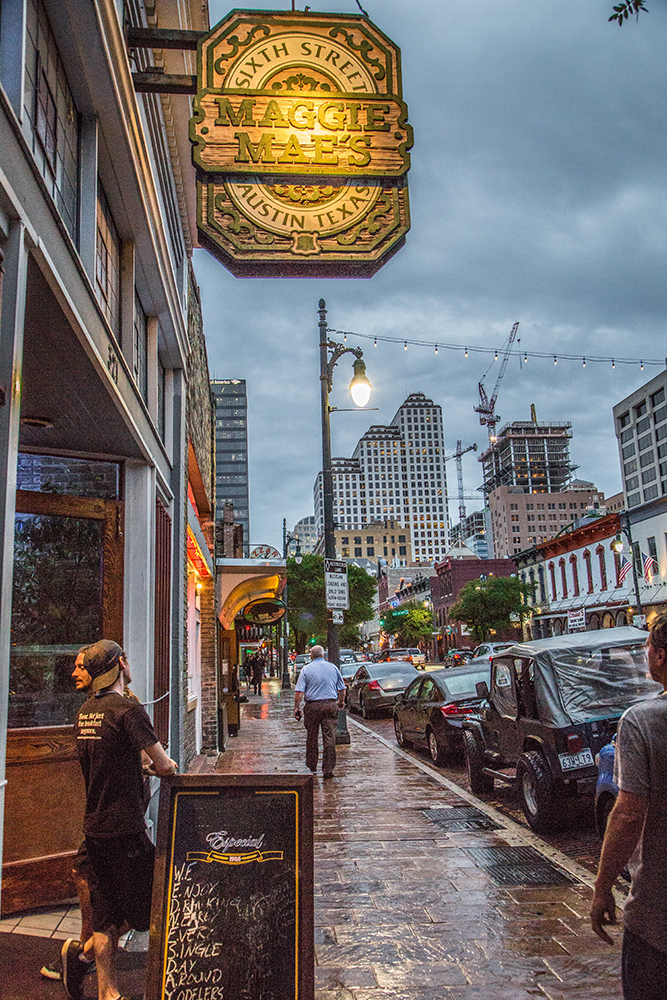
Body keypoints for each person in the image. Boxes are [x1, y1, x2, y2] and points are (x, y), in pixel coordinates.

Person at [62, 639, 177, 1000]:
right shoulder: (128, 710)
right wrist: (162, 768)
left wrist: (133, 766)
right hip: (125, 828)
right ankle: (166, 982)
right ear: (120, 666)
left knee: (105, 913)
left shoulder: (86, 711)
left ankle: (105, 989)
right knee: (155, 906)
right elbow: (164, 764)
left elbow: (106, 760)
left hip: (95, 825)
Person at [590, 614, 667, 999]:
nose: (646, 655)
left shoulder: (644, 720)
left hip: (658, 912)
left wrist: (603, 887)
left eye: (649, 648)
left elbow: (628, 813)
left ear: (661, 656)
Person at [293, 645, 346, 779]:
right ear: (323, 655)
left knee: (312, 737)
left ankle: (312, 766)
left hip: (312, 707)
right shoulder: (333, 668)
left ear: (311, 656)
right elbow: (342, 688)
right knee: (329, 738)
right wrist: (340, 701)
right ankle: (328, 769)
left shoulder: (306, 669)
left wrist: (296, 707)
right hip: (329, 705)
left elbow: (299, 691)